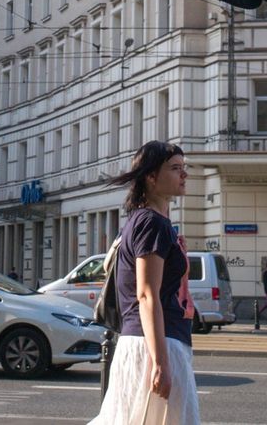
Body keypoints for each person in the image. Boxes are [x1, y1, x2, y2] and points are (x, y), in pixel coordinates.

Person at [87, 141, 199, 425]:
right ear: (151, 176)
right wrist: (161, 363)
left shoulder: (142, 221)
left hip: (144, 342)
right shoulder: (152, 223)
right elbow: (146, 295)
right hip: (155, 345)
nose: (184, 174)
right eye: (175, 169)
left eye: (184, 168)